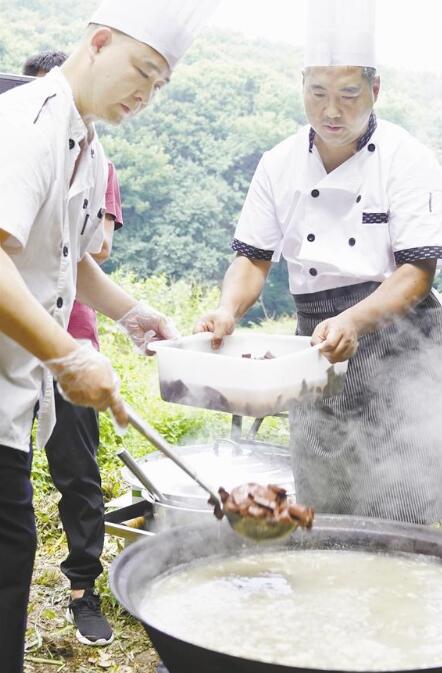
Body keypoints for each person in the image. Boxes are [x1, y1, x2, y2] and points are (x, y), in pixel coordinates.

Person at [0, 2, 220, 672]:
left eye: (160, 85)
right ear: (98, 42)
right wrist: (68, 356)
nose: (146, 95)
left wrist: (130, 312)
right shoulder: (27, 123)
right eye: (143, 72)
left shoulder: (87, 147)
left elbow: (70, 257)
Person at [196, 0, 442, 526]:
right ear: (302, 85)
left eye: (349, 95)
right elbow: (252, 258)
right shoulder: (278, 163)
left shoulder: (408, 157)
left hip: (402, 349)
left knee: (397, 515)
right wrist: (227, 309)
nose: (332, 111)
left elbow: (417, 272)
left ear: (376, 91)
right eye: (318, 94)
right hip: (314, 349)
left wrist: (354, 320)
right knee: (322, 507)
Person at [24, 49, 124, 647]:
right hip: (13, 344)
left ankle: (84, 590)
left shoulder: (96, 159)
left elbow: (95, 250)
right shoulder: (18, 144)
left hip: (74, 341)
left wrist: (135, 312)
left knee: (79, 474)